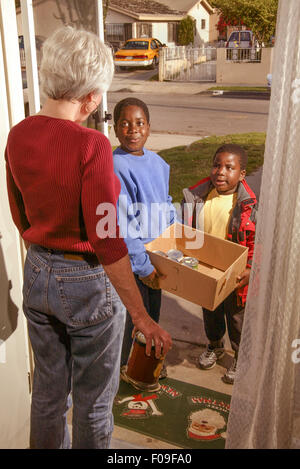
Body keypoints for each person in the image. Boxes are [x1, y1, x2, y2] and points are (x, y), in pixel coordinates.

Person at [4, 27, 171, 449]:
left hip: (38, 268)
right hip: (87, 281)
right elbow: (108, 237)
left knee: (46, 395)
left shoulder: (18, 134)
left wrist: (45, 253)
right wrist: (142, 315)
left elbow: (19, 212)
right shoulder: (92, 145)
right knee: (94, 404)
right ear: (92, 96)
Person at [181, 144, 257, 384]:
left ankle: (239, 355)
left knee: (236, 318)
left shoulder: (246, 205)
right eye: (217, 165)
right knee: (211, 312)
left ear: (241, 174)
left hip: (234, 274)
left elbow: (255, 240)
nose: (220, 172)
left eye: (229, 167)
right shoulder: (200, 197)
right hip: (208, 269)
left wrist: (250, 268)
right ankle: (215, 345)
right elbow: (190, 231)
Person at [112, 97, 176, 377]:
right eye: (125, 124)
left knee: (153, 315)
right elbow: (122, 223)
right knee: (135, 319)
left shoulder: (159, 163)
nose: (132, 129)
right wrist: (142, 266)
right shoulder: (115, 166)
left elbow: (166, 203)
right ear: (115, 129)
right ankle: (128, 368)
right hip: (133, 262)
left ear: (149, 127)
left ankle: (146, 362)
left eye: (139, 123)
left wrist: (179, 235)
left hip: (158, 256)